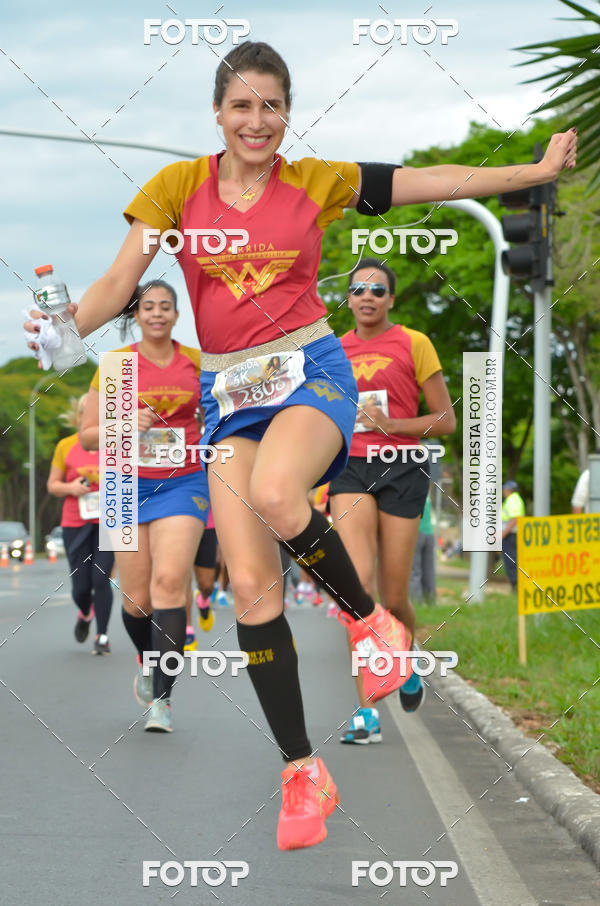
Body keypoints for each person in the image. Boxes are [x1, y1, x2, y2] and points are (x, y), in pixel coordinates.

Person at [25, 41, 577, 850]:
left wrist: (528, 174)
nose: (257, 121)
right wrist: (66, 329)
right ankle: (301, 771)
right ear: (218, 114)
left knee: (282, 494)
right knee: (252, 589)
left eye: (272, 106)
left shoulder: (316, 181)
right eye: (242, 106)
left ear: (288, 113)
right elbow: (116, 283)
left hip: (310, 373)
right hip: (226, 396)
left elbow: (432, 184)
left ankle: (372, 626)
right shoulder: (176, 188)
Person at [329, 260, 455, 743]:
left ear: (390, 300)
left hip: (403, 467)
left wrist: (393, 426)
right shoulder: (334, 351)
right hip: (350, 469)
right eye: (357, 289)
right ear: (349, 299)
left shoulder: (414, 343)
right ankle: (367, 713)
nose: (366, 297)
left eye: (377, 290)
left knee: (395, 594)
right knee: (355, 591)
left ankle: (407, 658)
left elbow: (444, 420)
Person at [79, 280, 209, 732]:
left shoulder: (196, 361)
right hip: (123, 486)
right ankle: (149, 661)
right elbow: (87, 437)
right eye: (147, 307)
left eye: (165, 307)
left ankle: (163, 701)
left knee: (171, 583)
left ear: (177, 315)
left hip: (182, 483)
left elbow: (217, 418)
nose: (156, 313)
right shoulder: (117, 366)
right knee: (136, 602)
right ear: (136, 314)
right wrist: (124, 420)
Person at [47, 394, 115, 653]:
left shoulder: (116, 443)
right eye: (88, 411)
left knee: (101, 579)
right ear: (79, 415)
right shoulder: (66, 445)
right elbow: (52, 485)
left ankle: (102, 636)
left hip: (110, 522)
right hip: (75, 522)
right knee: (81, 587)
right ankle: (85, 613)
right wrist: (71, 487)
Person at [410, 496, 436, 606]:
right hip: (429, 534)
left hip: (417, 533)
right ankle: (431, 600)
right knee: (429, 570)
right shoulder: (428, 496)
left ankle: (416, 602)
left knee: (415, 570)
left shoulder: (412, 492)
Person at [501, 479, 525, 590]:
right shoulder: (514, 499)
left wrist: (503, 534)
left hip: (511, 536)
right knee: (513, 560)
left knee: (511, 561)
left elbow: (515, 518)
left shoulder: (513, 500)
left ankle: (516, 587)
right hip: (512, 535)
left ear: (507, 490)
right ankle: (516, 586)